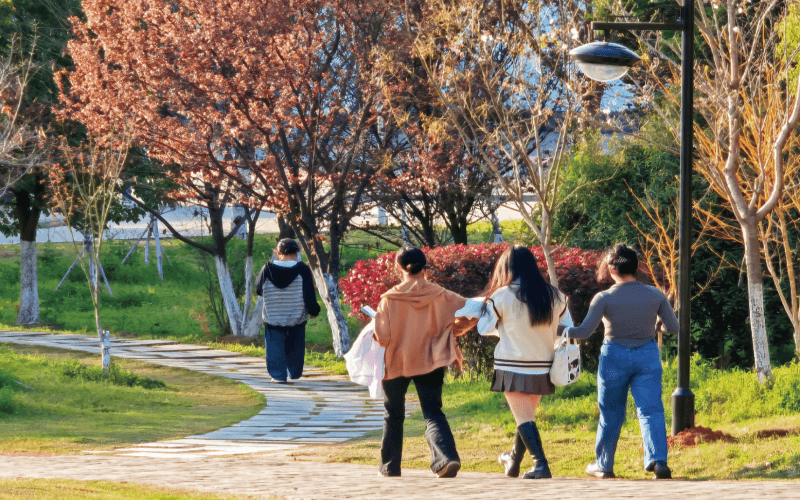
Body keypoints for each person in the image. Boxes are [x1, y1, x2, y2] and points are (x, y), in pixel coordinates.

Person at [563, 244, 679, 480]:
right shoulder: (655, 294)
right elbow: (674, 327)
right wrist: (658, 325)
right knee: (651, 410)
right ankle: (659, 461)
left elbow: (583, 332)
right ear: (636, 267)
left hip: (614, 356)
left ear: (611, 269)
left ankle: (604, 466)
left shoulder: (604, 297)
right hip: (647, 354)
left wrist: (558, 330)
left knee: (611, 413)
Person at [374, 246, 467, 478]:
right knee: (433, 412)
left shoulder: (389, 298)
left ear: (398, 267)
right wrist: (454, 331)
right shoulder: (442, 294)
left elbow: (383, 337)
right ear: (424, 267)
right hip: (431, 359)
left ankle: (390, 467)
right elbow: (474, 310)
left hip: (397, 361)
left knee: (393, 413)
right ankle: (446, 458)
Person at [481, 245, 567, 480]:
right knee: (525, 416)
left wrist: (499, 325)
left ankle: (541, 464)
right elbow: (565, 330)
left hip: (512, 365)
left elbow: (484, 328)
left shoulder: (500, 296)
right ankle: (513, 461)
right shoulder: (556, 296)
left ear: (506, 267)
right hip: (543, 366)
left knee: (524, 418)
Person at [255, 238, 320, 383]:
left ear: (278, 253)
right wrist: (313, 311)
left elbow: (258, 289)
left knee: (274, 347)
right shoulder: (302, 269)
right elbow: (309, 294)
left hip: (273, 316)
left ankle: (278, 376)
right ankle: (295, 372)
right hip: (296, 317)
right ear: (297, 253)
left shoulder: (267, 269)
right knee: (295, 347)